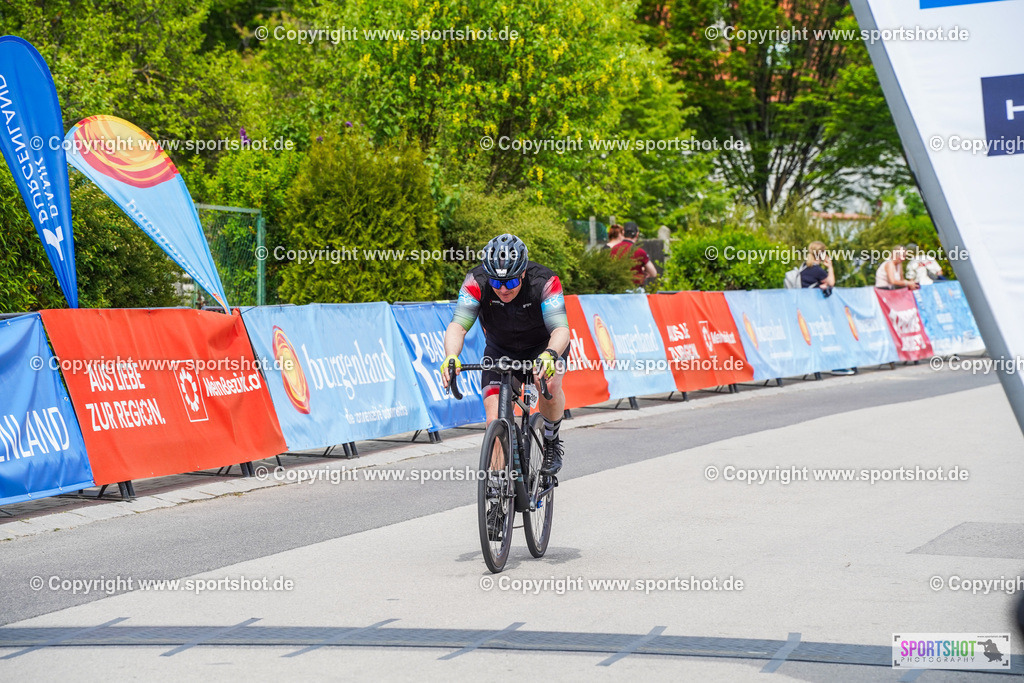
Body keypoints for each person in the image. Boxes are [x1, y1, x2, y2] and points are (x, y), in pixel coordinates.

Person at [439, 234, 570, 480]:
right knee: (495, 421)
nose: (502, 289)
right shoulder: (475, 282)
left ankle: (552, 442)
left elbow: (560, 329)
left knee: (549, 383)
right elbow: (458, 325)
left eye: (510, 283)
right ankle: (498, 491)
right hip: (500, 350)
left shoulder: (544, 281)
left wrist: (551, 354)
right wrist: (451, 356)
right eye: (496, 283)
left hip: (543, 347)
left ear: (523, 274)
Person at [800, 242, 853, 375]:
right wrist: (830, 266)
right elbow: (831, 282)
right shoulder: (817, 269)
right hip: (818, 313)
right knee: (831, 338)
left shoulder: (805, 268)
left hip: (808, 310)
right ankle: (837, 366)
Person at [611, 222, 658, 288]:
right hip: (635, 289)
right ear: (637, 234)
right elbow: (653, 273)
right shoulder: (640, 252)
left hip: (617, 289)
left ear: (623, 232)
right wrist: (643, 272)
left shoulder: (614, 249)